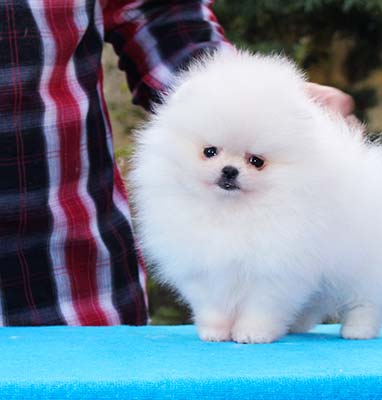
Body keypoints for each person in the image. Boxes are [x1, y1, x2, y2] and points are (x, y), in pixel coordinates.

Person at [0, 1, 355, 326]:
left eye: (254, 160)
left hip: (71, 284)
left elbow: (157, 11)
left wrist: (237, 94)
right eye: (212, 153)